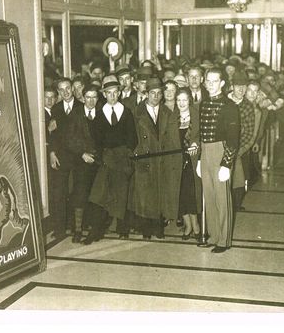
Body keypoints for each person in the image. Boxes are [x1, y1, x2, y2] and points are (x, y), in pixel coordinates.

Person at [86, 75, 138, 244]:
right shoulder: (100, 115)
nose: (113, 96)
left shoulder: (127, 112)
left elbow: (133, 137)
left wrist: (126, 153)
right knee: (100, 195)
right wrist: (103, 156)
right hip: (107, 159)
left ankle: (122, 229)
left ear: (120, 94)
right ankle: (97, 230)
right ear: (104, 95)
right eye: (109, 93)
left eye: (115, 92)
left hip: (122, 158)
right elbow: (96, 139)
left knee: (121, 194)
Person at [129, 77, 182, 239]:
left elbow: (172, 138)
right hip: (145, 158)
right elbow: (132, 137)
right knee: (145, 196)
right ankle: (146, 229)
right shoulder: (136, 112)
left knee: (160, 194)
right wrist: (138, 154)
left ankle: (158, 227)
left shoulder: (167, 112)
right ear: (146, 94)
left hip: (162, 159)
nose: (156, 97)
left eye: (159, 93)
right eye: (153, 93)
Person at [196, 67, 240, 253]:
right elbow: (201, 134)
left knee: (222, 198)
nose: (211, 85)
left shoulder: (230, 106)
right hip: (206, 151)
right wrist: (199, 158)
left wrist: (226, 163)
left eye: (215, 81)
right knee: (209, 195)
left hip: (220, 151)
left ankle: (224, 240)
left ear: (222, 83)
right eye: (208, 81)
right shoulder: (204, 104)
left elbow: (233, 138)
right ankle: (214, 235)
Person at [48, 78, 84, 238]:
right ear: (58, 93)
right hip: (61, 156)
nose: (65, 92)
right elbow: (53, 135)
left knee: (78, 191)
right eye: (61, 90)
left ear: (73, 89)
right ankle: (59, 228)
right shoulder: (55, 109)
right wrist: (52, 153)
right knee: (59, 192)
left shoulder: (82, 107)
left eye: (68, 88)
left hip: (78, 157)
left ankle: (77, 228)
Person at [65, 85, 101, 243]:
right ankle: (78, 230)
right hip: (81, 162)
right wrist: (82, 154)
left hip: (99, 162)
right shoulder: (76, 114)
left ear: (98, 99)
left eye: (94, 97)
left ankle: (94, 230)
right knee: (80, 195)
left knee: (96, 196)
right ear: (83, 97)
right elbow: (69, 139)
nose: (91, 101)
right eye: (88, 97)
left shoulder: (102, 113)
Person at [175, 88, 202, 240]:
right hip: (178, 162)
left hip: (193, 160)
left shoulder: (196, 116)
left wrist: (196, 144)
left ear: (189, 100)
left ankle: (196, 226)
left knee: (192, 194)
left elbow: (202, 135)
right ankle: (188, 225)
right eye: (179, 100)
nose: (181, 103)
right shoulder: (173, 117)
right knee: (180, 195)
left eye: (184, 100)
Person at [227, 71, 255, 215]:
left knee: (239, 182)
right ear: (232, 86)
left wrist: (239, 151)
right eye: (238, 86)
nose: (241, 90)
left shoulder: (248, 106)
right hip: (223, 147)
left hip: (239, 150)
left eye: (244, 86)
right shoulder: (224, 101)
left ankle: (234, 205)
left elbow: (250, 133)